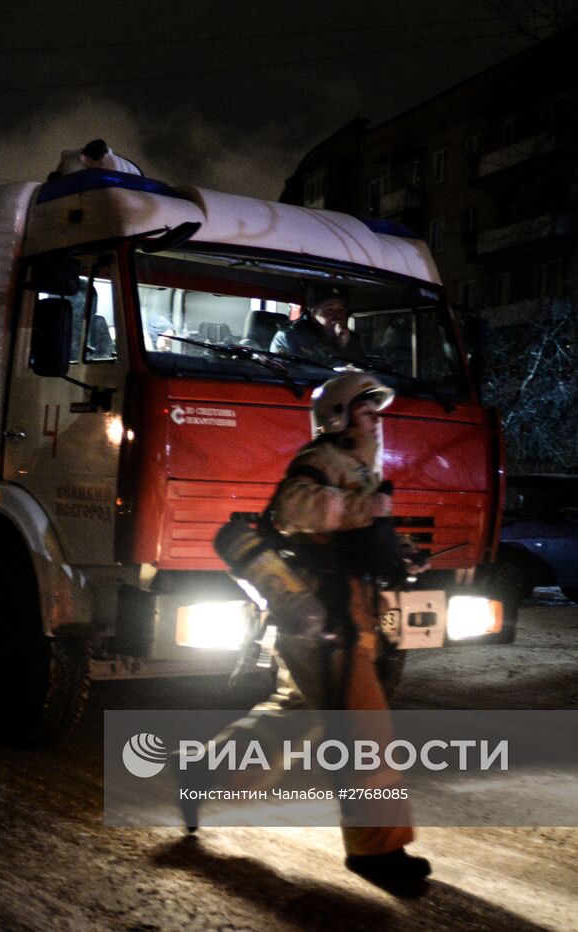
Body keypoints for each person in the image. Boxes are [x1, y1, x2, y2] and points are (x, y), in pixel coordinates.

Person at [187, 373, 431, 886]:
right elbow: (294, 509)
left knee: (294, 714)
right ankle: (376, 852)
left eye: (377, 411)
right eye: (368, 409)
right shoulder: (317, 460)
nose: (377, 419)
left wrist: (401, 553)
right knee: (365, 730)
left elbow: (360, 531)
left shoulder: (357, 467)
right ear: (338, 414)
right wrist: (367, 511)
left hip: (343, 613)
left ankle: (205, 774)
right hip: (320, 613)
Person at [270, 295, 365, 365]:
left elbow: (360, 370)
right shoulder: (290, 335)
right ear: (313, 311)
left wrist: (344, 346)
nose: (338, 315)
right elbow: (300, 370)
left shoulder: (350, 338)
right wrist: (339, 349)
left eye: (341, 310)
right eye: (330, 309)